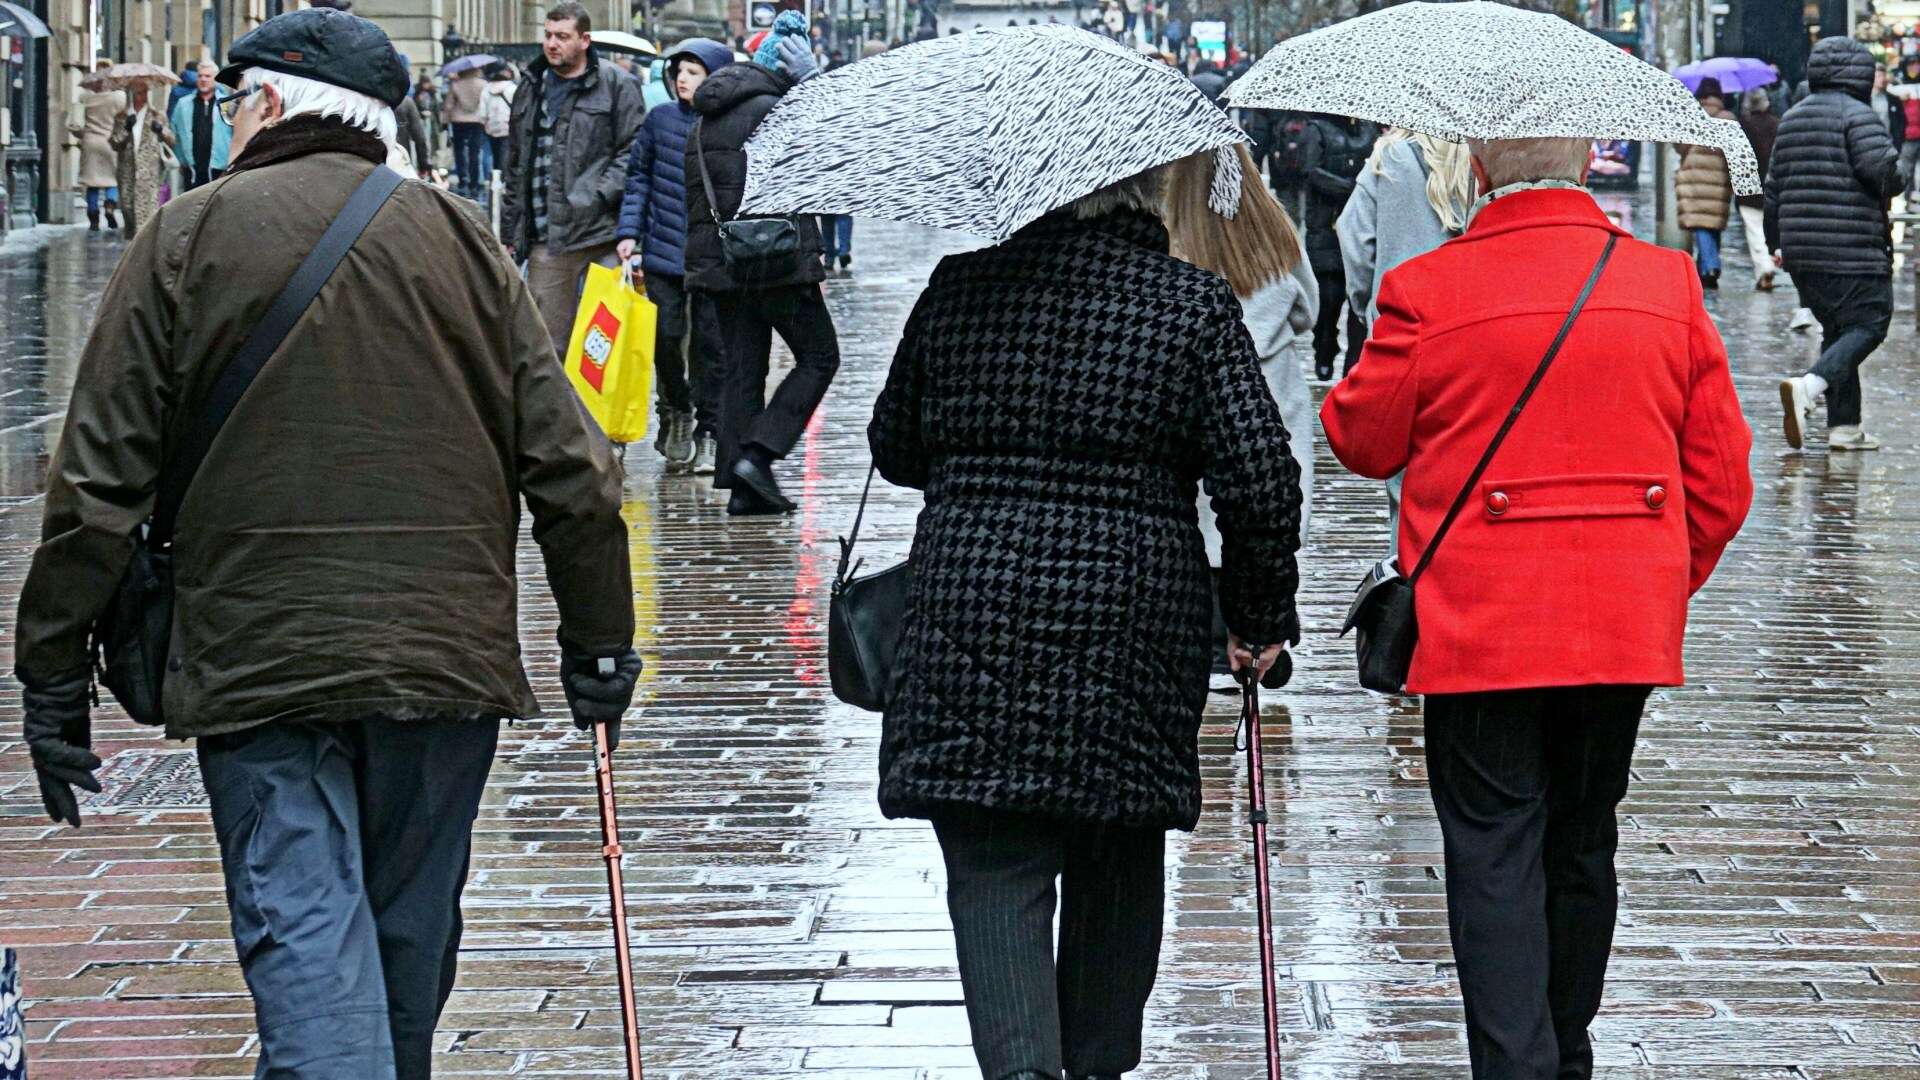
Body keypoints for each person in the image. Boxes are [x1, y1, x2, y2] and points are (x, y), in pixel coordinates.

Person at [14, 10, 640, 1078]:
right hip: (444, 664)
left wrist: (53, 672)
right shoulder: (460, 242)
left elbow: (96, 483)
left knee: (308, 952)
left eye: (230, 99)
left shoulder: (187, 236)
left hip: (262, 660)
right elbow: (575, 474)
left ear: (266, 103)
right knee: (401, 964)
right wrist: (598, 647)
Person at [1322, 135, 1754, 1080]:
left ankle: (1518, 1061)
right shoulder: (1668, 284)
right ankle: (1568, 1045)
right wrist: (1653, 580)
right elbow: (1722, 483)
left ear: (1477, 171)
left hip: (1481, 624)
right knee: (1583, 832)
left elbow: (1359, 436)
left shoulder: (1430, 288)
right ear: (1587, 164)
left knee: (1492, 846)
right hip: (1621, 627)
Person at [869, 158, 1302, 1080]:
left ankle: (1022, 1067)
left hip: (969, 607)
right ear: (1146, 191)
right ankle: (1098, 1063)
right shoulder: (1187, 305)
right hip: (1134, 616)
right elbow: (1259, 477)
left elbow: (895, 445)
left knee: (992, 859)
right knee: (1118, 840)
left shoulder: (959, 286)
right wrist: (1259, 614)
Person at [1164, 144, 1317, 683]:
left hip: (1188, 412)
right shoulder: (1273, 230)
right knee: (1264, 513)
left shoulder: (1167, 244)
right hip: (1275, 395)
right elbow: (1310, 307)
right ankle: (1260, 629)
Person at [686, 21, 840, 514]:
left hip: (723, 260)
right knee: (820, 356)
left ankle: (741, 486)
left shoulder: (707, 117)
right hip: (776, 260)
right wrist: (815, 86)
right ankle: (760, 452)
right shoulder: (777, 111)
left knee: (742, 369)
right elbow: (827, 155)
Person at [1337, 127, 1476, 559]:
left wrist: (1369, 309)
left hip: (1404, 339)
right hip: (1478, 336)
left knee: (1406, 478)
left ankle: (1412, 586)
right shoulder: (1494, 157)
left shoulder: (1391, 158)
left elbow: (1355, 242)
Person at [1769, 36, 1902, 453]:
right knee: (1870, 323)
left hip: (1801, 252)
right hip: (1851, 249)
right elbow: (1883, 174)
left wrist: (1778, 244)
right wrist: (1897, 173)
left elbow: (1773, 191)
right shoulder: (1858, 116)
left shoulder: (1791, 117)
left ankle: (1845, 427)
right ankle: (1808, 387)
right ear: (1860, 75)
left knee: (1837, 330)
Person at [502, 1, 646, 358]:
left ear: (584, 40)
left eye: (562, 37)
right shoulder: (531, 86)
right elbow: (516, 162)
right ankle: (558, 416)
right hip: (547, 238)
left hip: (601, 233)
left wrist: (597, 196)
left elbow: (634, 148)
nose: (552, 44)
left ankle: (596, 416)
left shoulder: (616, 84)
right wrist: (509, 232)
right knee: (546, 350)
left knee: (602, 349)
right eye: (548, 36)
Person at [616, 39, 732, 474]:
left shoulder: (727, 123)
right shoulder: (660, 120)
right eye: (679, 70)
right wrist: (629, 232)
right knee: (665, 337)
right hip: (663, 251)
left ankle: (709, 430)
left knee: (709, 347)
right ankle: (676, 412)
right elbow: (638, 177)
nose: (683, 79)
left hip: (711, 255)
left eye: (694, 72)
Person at [1301, 112, 1376, 379]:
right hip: (1325, 227)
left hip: (1360, 225)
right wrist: (1351, 187)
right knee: (1329, 299)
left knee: (1359, 302)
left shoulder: (1369, 129)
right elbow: (1310, 171)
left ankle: (1352, 367)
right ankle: (1324, 347)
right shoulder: (1317, 129)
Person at [1677, 77, 1735, 290]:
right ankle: (1708, 269)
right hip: (1719, 180)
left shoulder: (1692, 117)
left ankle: (1709, 266)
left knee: (1701, 224)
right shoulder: (1728, 119)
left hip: (1693, 178)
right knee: (1713, 225)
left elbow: (1680, 147)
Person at [109, 81, 175, 234]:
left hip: (149, 170)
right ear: (131, 95)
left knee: (147, 210)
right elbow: (114, 143)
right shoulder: (122, 116)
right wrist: (126, 129)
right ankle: (134, 240)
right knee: (127, 206)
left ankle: (144, 244)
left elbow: (172, 141)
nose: (142, 97)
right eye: (138, 93)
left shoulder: (156, 115)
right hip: (127, 170)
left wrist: (161, 130)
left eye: (145, 92)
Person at [72, 62, 125, 232]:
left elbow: (74, 124)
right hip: (110, 142)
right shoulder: (119, 98)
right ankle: (110, 205)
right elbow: (124, 121)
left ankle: (93, 215)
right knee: (112, 180)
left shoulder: (85, 98)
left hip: (90, 142)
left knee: (91, 182)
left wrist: (84, 135)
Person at [1736, 87, 1781, 290]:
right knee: (1770, 228)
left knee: (1754, 230)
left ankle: (1764, 267)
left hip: (1749, 187)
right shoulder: (1777, 124)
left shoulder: (1743, 126)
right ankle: (1768, 265)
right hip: (1773, 186)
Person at [169, 61, 233, 191]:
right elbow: (174, 132)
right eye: (200, 76)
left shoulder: (227, 104)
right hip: (192, 170)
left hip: (219, 170)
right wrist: (182, 159)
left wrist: (230, 163)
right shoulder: (183, 104)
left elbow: (235, 133)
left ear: (216, 79)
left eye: (208, 76)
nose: (203, 79)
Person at [443, 66, 487, 198]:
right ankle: (474, 181)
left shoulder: (456, 84)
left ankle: (463, 179)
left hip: (458, 120)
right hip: (477, 120)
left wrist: (444, 122)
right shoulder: (483, 85)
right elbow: (485, 103)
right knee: (475, 151)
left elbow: (449, 105)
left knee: (459, 151)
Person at [482, 65, 515, 183]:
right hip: (507, 125)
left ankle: (490, 177)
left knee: (490, 153)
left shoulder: (486, 89)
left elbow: (482, 111)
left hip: (490, 126)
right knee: (505, 152)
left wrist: (484, 122)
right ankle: (503, 178)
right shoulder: (512, 88)